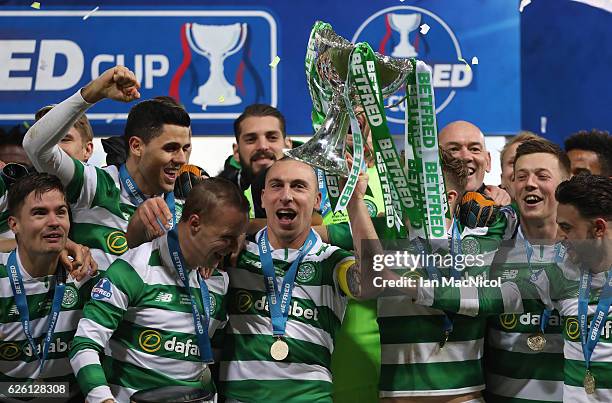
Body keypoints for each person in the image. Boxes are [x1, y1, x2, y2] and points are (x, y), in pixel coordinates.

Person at [407, 173, 612, 403]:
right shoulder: (560, 272)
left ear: (598, 228)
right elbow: (484, 299)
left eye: (567, 228)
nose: (560, 236)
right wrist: (411, 287)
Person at [70, 178, 249, 402]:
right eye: (227, 238)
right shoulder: (134, 269)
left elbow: (211, 357)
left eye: (237, 238)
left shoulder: (217, 280)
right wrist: (103, 399)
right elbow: (84, 346)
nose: (234, 249)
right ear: (195, 223)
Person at [218, 157, 379, 402]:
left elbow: (373, 279)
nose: (286, 195)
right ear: (262, 198)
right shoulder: (234, 255)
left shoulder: (331, 260)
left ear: (317, 201)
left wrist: (355, 202)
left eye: (298, 186)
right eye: (276, 185)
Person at [23, 65, 191, 272]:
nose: (182, 159)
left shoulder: (185, 210)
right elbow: (35, 147)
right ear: (136, 146)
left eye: (186, 148)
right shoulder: (95, 185)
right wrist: (92, 93)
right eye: (171, 148)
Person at [377, 150, 493, 402]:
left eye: (414, 188)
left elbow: (478, 301)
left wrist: (398, 282)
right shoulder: (383, 235)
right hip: (396, 396)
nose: (403, 195)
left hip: (462, 396)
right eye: (401, 186)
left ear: (449, 197)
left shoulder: (481, 240)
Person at [0, 173, 97, 401]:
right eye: (40, 213)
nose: (54, 221)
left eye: (60, 212)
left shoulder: (85, 276)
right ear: (14, 224)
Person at [438, 120, 511, 205]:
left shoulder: (503, 209)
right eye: (454, 149)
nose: (466, 157)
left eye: (474, 149)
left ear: (488, 161)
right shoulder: (421, 209)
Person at [499, 131, 541, 198]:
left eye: (532, 162)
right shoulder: (486, 206)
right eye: (513, 162)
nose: (522, 167)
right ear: (502, 179)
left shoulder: (561, 207)